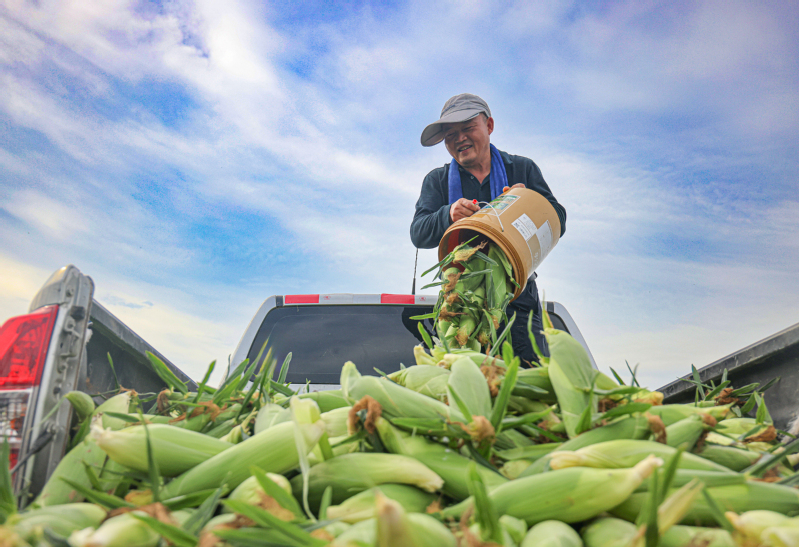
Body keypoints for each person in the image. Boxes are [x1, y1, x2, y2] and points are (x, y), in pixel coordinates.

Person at [410, 93, 566, 365]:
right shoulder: (437, 180)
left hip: (518, 299)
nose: (459, 139)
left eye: (468, 128)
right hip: (460, 301)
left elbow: (558, 220)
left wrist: (527, 203)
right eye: (450, 135)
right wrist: (449, 214)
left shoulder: (521, 169)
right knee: (464, 374)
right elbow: (419, 233)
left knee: (523, 374)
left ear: (489, 126)